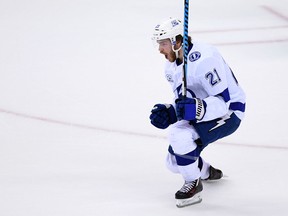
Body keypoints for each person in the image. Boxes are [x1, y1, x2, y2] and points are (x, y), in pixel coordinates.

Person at [149, 17, 246, 208]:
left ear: (178, 42)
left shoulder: (205, 59)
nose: (160, 49)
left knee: (178, 135)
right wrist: (172, 111)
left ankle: (193, 183)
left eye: (164, 44)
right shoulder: (170, 66)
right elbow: (185, 102)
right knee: (173, 163)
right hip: (203, 111)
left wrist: (184, 111)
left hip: (230, 112)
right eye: (158, 44)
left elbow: (222, 103)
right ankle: (207, 171)